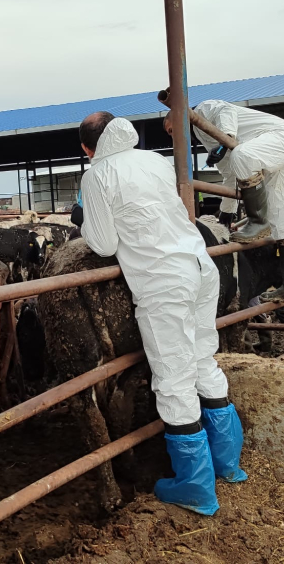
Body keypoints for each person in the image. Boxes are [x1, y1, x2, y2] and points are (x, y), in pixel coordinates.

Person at [78, 111, 247, 516]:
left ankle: (195, 487)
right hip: (200, 267)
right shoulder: (153, 158)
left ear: (88, 149)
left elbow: (102, 244)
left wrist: (81, 219)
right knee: (202, 358)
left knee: (172, 379)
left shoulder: (96, 174)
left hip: (162, 280)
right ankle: (228, 464)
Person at [171, 99, 284, 304]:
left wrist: (227, 137)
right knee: (281, 212)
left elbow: (224, 110)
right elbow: (230, 175)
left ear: (174, 118)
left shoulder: (202, 110)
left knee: (242, 155)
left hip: (283, 137)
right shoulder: (202, 134)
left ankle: (258, 221)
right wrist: (225, 215)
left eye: (170, 129)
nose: (172, 134)